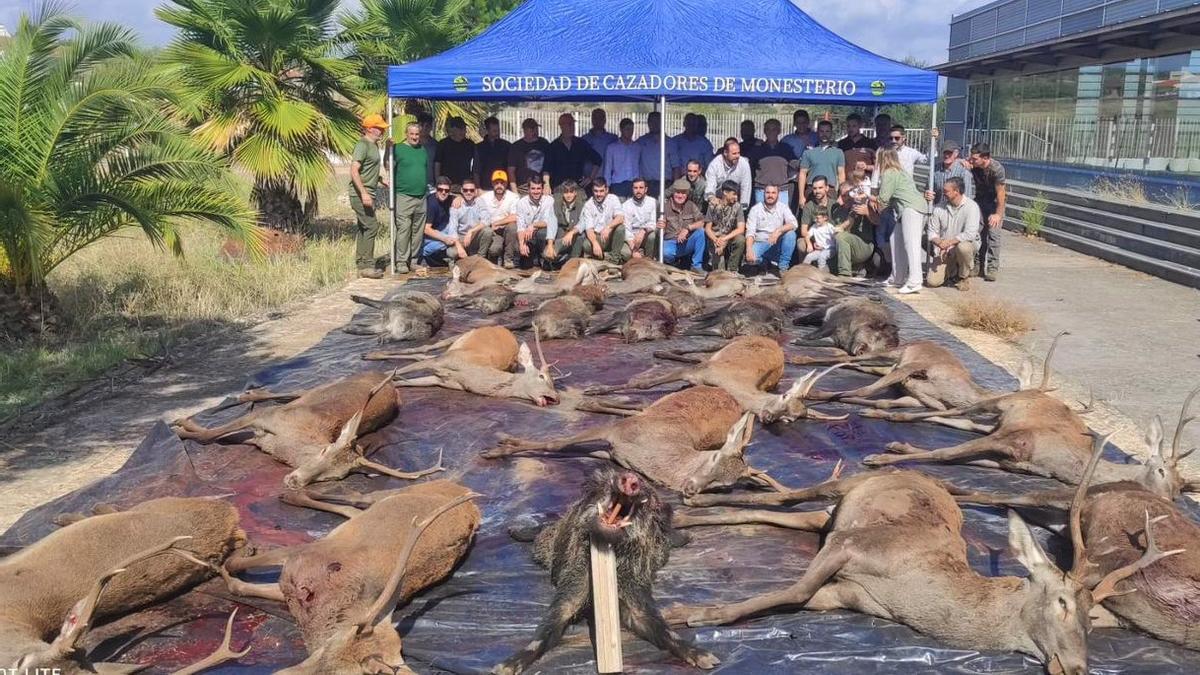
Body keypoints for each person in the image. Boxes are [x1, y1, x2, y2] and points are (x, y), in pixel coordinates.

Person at [873, 148, 929, 294]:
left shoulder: (889, 173)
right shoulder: (900, 171)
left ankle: (915, 282)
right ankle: (897, 277)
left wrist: (868, 196)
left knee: (911, 244)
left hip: (911, 209)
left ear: (883, 158)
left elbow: (883, 199)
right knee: (895, 239)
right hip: (906, 208)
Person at [349, 113, 389, 279]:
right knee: (371, 226)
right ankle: (367, 264)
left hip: (369, 191)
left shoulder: (373, 146)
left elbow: (368, 170)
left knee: (364, 227)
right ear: (370, 129)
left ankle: (362, 263)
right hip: (360, 194)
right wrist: (364, 193)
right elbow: (354, 170)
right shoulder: (362, 145)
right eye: (379, 128)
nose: (382, 131)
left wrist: (380, 179)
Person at [926, 176, 981, 291]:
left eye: (946, 191)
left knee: (964, 247)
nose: (943, 193)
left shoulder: (972, 207)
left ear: (956, 192)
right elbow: (931, 232)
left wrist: (949, 243)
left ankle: (963, 276)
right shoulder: (939, 208)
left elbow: (970, 234)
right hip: (944, 249)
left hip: (961, 245)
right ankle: (951, 271)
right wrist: (940, 243)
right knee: (932, 282)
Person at [392, 121, 429, 275]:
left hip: (421, 196)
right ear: (406, 134)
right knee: (404, 229)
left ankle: (414, 260)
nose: (414, 137)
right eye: (412, 134)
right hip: (404, 195)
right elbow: (388, 166)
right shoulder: (398, 149)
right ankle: (401, 261)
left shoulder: (422, 150)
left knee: (418, 231)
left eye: (417, 134)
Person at [967, 142, 1006, 282]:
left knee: (993, 235)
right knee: (978, 234)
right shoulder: (974, 165)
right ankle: (978, 265)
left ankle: (992, 267)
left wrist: (998, 214)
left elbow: (1001, 194)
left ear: (985, 158)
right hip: (980, 203)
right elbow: (962, 162)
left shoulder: (996, 169)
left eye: (975, 158)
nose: (972, 161)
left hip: (994, 203)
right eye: (972, 158)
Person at [745, 184, 798, 274]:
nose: (770, 195)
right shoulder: (755, 209)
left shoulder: (783, 207)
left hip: (776, 244)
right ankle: (764, 262)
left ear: (778, 195)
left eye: (773, 193)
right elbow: (750, 232)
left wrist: (778, 231)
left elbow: (794, 223)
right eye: (768, 192)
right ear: (763, 194)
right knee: (751, 260)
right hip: (761, 243)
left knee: (791, 234)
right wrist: (749, 249)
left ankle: (783, 267)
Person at [506, 175, 557, 269]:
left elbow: (548, 221)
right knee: (525, 264)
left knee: (543, 232)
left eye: (538, 188)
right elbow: (521, 225)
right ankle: (525, 257)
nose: (536, 191)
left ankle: (544, 258)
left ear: (542, 189)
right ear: (528, 189)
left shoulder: (549, 200)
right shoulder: (521, 203)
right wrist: (522, 244)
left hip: (541, 234)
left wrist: (533, 225)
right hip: (527, 236)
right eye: (533, 188)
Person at [658, 179, 707, 272]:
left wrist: (688, 228)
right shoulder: (664, 207)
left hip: (687, 241)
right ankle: (672, 265)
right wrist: (661, 227)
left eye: (683, 193)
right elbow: (661, 232)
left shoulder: (691, 205)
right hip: (671, 243)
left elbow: (702, 221)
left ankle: (696, 266)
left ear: (687, 194)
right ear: (673, 192)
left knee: (701, 232)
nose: (680, 196)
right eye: (678, 192)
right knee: (666, 252)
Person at [833, 181, 880, 278]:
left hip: (865, 245)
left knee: (841, 236)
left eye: (848, 195)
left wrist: (867, 213)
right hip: (848, 246)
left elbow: (878, 221)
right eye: (843, 196)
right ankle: (856, 268)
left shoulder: (864, 204)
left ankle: (844, 273)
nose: (846, 198)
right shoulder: (839, 210)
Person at [545, 112, 601, 191]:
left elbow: (598, 159)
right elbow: (546, 169)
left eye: (573, 124)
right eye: (569, 124)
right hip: (559, 188)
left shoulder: (581, 144)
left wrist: (590, 178)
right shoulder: (553, 146)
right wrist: (546, 185)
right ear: (561, 126)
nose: (572, 127)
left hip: (578, 188)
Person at [750, 118, 797, 208]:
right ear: (764, 131)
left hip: (781, 190)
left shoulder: (786, 148)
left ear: (779, 131)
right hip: (761, 190)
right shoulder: (757, 148)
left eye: (774, 129)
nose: (771, 132)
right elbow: (749, 164)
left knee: (782, 219)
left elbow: (795, 163)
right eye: (768, 129)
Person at [449, 177, 499, 260]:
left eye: (471, 190)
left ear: (475, 191)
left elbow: (486, 221)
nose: (468, 192)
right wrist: (459, 247)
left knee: (487, 231)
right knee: (451, 253)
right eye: (466, 190)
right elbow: (452, 229)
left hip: (475, 235)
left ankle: (480, 259)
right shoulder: (456, 205)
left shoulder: (480, 202)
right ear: (461, 190)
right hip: (461, 237)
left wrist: (471, 231)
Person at [798, 120, 845, 207]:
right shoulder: (808, 152)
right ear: (817, 133)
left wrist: (842, 195)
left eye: (827, 131)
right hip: (811, 190)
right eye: (822, 131)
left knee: (829, 220)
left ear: (831, 133)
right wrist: (801, 196)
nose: (824, 134)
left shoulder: (838, 152)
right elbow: (802, 174)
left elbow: (841, 175)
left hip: (830, 191)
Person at [578, 178, 626, 263]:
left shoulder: (613, 198)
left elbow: (620, 217)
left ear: (606, 190)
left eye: (601, 191)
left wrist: (608, 227)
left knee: (621, 229)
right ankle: (605, 256)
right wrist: (594, 243)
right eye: (596, 191)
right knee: (587, 245)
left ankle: (614, 259)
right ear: (592, 191)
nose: (598, 194)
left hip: (612, 237)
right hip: (598, 237)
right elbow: (589, 229)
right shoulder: (588, 205)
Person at [420, 176, 465, 265]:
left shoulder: (450, 198)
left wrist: (459, 198)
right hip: (428, 236)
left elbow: (459, 197)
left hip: (443, 230)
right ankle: (423, 254)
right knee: (450, 240)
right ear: (436, 190)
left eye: (446, 190)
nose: (443, 192)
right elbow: (426, 229)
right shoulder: (432, 203)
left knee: (453, 233)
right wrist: (444, 238)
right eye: (440, 190)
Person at [705, 180, 747, 272]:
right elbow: (708, 228)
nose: (736, 197)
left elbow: (741, 229)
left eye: (737, 195)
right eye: (734, 194)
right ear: (725, 192)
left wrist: (725, 239)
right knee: (719, 271)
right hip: (716, 237)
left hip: (729, 236)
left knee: (740, 239)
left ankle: (733, 269)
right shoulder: (713, 205)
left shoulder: (737, 206)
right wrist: (716, 240)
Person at [480, 169, 519, 262]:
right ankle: (492, 259)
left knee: (513, 227)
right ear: (492, 184)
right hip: (493, 231)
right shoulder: (484, 197)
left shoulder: (513, 197)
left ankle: (508, 259)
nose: (499, 186)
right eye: (496, 183)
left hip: (508, 231)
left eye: (502, 183)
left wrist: (497, 223)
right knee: (494, 250)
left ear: (506, 184)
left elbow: (515, 216)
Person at [705, 140, 752, 209]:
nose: (737, 156)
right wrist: (712, 199)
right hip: (718, 201)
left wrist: (742, 209)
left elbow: (746, 187)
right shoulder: (714, 164)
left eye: (738, 153)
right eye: (734, 153)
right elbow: (710, 186)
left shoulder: (744, 164)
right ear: (725, 153)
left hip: (736, 202)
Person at [508, 118, 551, 195]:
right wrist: (515, 192)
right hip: (523, 188)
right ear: (524, 130)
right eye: (531, 129)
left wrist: (547, 184)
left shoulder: (544, 144)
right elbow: (511, 171)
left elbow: (547, 167)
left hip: (540, 187)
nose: (535, 131)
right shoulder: (516, 146)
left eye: (536, 128)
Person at [926, 139, 974, 206]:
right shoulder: (934, 170)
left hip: (956, 211)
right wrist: (928, 195)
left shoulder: (963, 172)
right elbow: (928, 191)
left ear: (956, 154)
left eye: (949, 153)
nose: (946, 156)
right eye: (944, 153)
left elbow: (967, 197)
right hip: (938, 210)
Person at [434, 116, 475, 191]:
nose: (464, 131)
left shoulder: (470, 144)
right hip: (446, 187)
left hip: (464, 187)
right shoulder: (443, 144)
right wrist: (438, 180)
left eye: (464, 129)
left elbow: (476, 164)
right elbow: (437, 163)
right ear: (453, 129)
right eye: (460, 129)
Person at [604, 118, 641, 198]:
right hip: (618, 184)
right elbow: (608, 168)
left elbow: (640, 165)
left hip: (634, 184)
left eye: (632, 129)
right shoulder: (612, 147)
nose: (630, 132)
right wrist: (607, 186)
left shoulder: (637, 147)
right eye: (627, 129)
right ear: (621, 129)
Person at [550, 180, 585, 264]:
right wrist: (550, 244)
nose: (568, 195)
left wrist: (572, 232)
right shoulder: (556, 205)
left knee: (580, 236)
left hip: (575, 235)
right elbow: (552, 224)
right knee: (547, 255)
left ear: (575, 193)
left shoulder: (582, 205)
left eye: (571, 192)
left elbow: (583, 223)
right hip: (561, 234)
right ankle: (562, 258)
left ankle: (573, 261)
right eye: (566, 192)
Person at [622, 178, 658, 260]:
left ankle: (649, 260)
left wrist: (643, 231)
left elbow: (653, 223)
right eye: (635, 188)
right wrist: (634, 249)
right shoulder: (626, 205)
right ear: (632, 189)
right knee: (626, 254)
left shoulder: (652, 202)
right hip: (632, 239)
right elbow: (626, 229)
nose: (638, 190)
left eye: (641, 188)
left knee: (652, 236)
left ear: (646, 189)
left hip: (645, 236)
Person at [671, 112, 714, 179]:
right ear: (684, 124)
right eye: (689, 124)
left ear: (697, 125)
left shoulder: (705, 143)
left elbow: (710, 165)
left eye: (693, 124)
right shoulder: (675, 141)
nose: (691, 126)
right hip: (679, 178)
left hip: (699, 179)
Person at [799, 175, 834, 255]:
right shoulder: (808, 206)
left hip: (831, 240)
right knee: (801, 243)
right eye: (815, 188)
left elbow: (839, 227)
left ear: (827, 188)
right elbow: (803, 231)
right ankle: (804, 266)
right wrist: (814, 241)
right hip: (815, 239)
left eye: (820, 188)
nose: (817, 191)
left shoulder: (834, 204)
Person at [637, 111, 669, 196]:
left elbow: (676, 167)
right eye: (652, 121)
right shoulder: (640, 142)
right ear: (648, 123)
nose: (654, 124)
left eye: (657, 121)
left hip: (666, 185)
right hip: (646, 185)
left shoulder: (670, 142)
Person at [474, 116, 511, 188]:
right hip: (485, 187)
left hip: (503, 186)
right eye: (494, 131)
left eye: (498, 130)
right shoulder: (479, 147)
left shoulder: (507, 146)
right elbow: (476, 170)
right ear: (487, 131)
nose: (497, 133)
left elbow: (511, 168)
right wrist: (478, 188)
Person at [582, 108, 618, 178]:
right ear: (592, 120)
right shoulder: (584, 139)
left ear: (605, 120)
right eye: (595, 118)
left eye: (600, 118)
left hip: (607, 180)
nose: (598, 121)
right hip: (588, 180)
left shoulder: (613, 139)